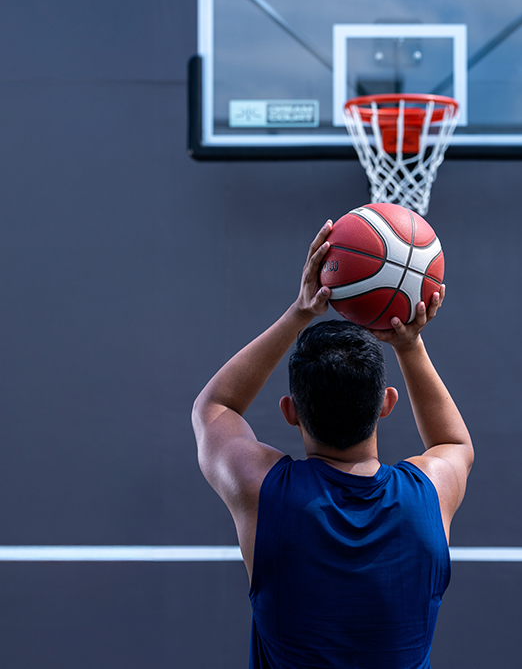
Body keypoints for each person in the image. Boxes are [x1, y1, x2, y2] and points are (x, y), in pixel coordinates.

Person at [191, 219, 474, 669]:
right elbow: (453, 442)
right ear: (387, 403)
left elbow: (214, 409)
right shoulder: (429, 496)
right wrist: (410, 345)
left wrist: (301, 310)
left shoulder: (263, 493)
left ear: (290, 412)